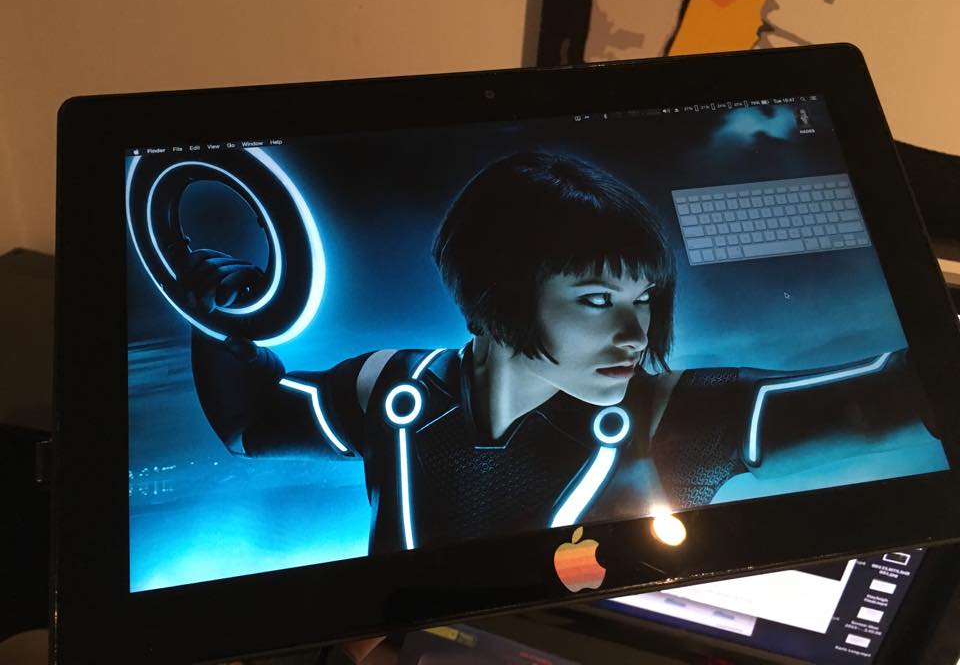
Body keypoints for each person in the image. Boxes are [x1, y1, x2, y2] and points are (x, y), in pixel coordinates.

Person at [187, 152, 930, 555]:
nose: (635, 333)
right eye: (598, 300)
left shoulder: (678, 418)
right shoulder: (394, 386)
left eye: (645, 298)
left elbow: (884, 397)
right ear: (499, 293)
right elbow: (250, 421)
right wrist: (219, 304)